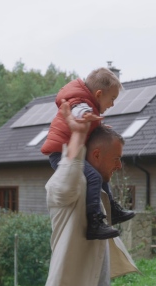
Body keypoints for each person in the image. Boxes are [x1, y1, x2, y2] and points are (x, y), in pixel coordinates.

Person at [44, 101, 139, 286]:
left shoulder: (96, 187)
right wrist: (77, 135)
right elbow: (61, 185)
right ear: (96, 154)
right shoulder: (74, 182)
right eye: (116, 158)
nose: (119, 165)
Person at [41, 67, 135, 240]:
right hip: (61, 154)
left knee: (101, 175)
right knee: (93, 178)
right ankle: (94, 223)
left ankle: (112, 209)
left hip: (73, 151)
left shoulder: (87, 102)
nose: (112, 104)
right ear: (99, 94)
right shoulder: (81, 103)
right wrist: (86, 116)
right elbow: (78, 111)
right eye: (112, 99)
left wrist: (98, 126)